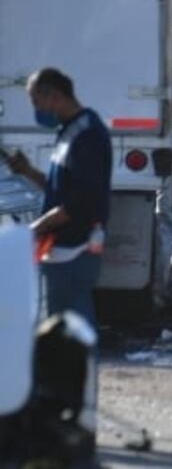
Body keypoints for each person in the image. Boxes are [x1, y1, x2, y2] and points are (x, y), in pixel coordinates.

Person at [6, 69, 111, 329]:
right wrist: (27, 171)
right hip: (60, 248)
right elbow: (59, 188)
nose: (37, 110)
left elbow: (79, 202)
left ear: (53, 96)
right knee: (61, 327)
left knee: (71, 328)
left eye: (36, 102)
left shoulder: (87, 134)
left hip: (76, 247)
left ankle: (79, 369)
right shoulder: (68, 132)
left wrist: (31, 230)